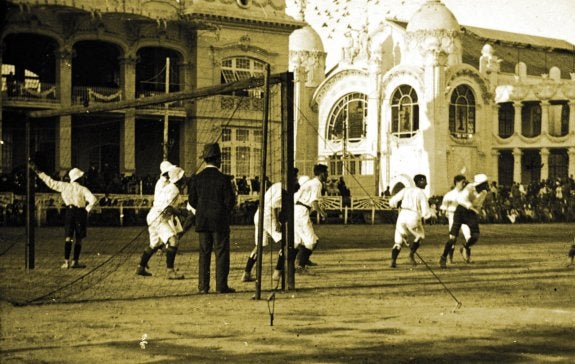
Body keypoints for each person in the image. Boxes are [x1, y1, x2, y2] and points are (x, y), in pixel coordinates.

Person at [29, 162, 98, 269]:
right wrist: (86, 210)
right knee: (79, 238)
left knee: (68, 237)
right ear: (79, 178)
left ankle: (66, 262)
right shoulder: (83, 189)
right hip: (80, 213)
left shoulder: (64, 186)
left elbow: (50, 182)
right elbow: (93, 199)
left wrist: (38, 172)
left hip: (69, 212)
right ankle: (75, 261)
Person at [188, 143, 237, 294]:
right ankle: (221, 286)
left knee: (204, 253)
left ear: (205, 159)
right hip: (219, 220)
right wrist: (223, 211)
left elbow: (192, 201)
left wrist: (202, 210)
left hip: (202, 220)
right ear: (218, 159)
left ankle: (203, 286)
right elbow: (230, 202)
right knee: (221, 252)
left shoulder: (197, 178)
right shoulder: (223, 179)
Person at [241, 168, 299, 286]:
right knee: (290, 242)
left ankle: (246, 274)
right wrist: (277, 222)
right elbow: (274, 206)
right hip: (268, 216)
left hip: (260, 215)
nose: (296, 179)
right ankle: (277, 272)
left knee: (259, 247)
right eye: (295, 177)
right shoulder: (282, 189)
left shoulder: (276, 186)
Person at [136, 161, 186, 279]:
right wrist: (180, 213)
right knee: (173, 241)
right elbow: (167, 208)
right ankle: (170, 271)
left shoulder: (163, 184)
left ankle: (141, 267)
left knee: (156, 243)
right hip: (159, 217)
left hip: (153, 215)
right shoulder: (173, 188)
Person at [439, 173, 490, 269]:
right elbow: (461, 200)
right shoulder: (469, 187)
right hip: (460, 211)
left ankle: (465, 247)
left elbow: (479, 204)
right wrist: (473, 208)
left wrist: (477, 211)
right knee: (453, 237)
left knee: (475, 236)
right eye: (484, 183)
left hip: (471, 213)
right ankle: (443, 257)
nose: (486, 185)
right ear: (479, 184)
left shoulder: (484, 192)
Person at [388, 174, 432, 268]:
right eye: (425, 181)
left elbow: (392, 201)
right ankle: (411, 254)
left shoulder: (406, 189)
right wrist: (428, 217)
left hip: (402, 215)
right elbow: (425, 210)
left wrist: (393, 205)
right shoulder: (421, 193)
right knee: (420, 235)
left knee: (398, 241)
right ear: (420, 181)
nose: (426, 183)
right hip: (413, 215)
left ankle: (393, 260)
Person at [293, 164, 328, 272]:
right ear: (322, 174)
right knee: (312, 241)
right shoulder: (317, 184)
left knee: (298, 242)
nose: (328, 175)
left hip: (296, 210)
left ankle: (296, 262)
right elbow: (314, 202)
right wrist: (322, 213)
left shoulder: (310, 182)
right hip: (301, 212)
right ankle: (300, 265)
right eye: (327, 173)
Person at [439, 174, 471, 263]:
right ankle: (450, 258)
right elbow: (444, 207)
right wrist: (445, 214)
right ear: (456, 183)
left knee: (469, 236)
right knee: (453, 238)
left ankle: (467, 256)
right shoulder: (449, 195)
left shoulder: (467, 193)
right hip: (453, 216)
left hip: (464, 216)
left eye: (465, 182)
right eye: (462, 182)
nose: (464, 184)